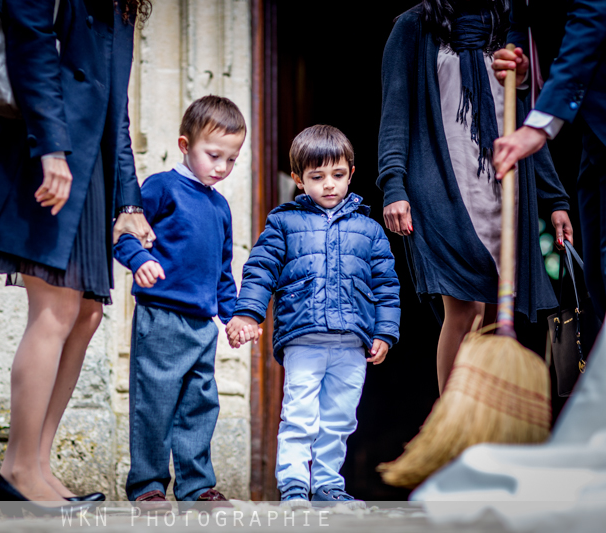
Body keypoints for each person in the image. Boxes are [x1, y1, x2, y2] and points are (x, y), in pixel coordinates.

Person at [0, 0, 153, 507]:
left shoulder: (124, 5)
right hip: (46, 147)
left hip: (90, 165)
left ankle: (35, 463)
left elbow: (116, 104)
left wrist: (129, 201)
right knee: (55, 309)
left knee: (87, 314)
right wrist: (50, 148)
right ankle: (17, 470)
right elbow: (29, 43)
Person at [378, 0, 573, 393]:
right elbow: (395, 112)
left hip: (502, 191)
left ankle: (479, 416)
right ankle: (453, 419)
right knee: (465, 310)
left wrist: (555, 200)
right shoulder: (414, 26)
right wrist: (393, 184)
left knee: (493, 318)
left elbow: (524, 119)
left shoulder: (509, 27)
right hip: (441, 186)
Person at [227, 125, 401, 506]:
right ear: (298, 179)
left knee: (340, 417)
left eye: (337, 175)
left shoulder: (369, 230)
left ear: (351, 173)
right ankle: (293, 484)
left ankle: (327, 485)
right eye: (317, 177)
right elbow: (261, 270)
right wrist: (248, 314)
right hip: (303, 338)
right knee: (300, 414)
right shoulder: (283, 223)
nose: (329, 185)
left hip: (352, 343)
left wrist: (385, 332)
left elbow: (387, 285)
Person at [113, 95, 246, 507]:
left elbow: (223, 270)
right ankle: (147, 486)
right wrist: (140, 260)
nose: (221, 167)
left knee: (200, 405)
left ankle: (196, 486)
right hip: (161, 318)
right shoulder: (161, 187)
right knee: (154, 404)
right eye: (213, 156)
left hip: (202, 327)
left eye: (231, 159)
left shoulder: (220, 206)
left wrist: (235, 316)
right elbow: (124, 233)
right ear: (185, 146)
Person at [492, 0, 606, 321]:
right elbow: (520, 22)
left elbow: (593, 16)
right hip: (593, 134)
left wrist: (540, 123)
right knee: (596, 276)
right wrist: (520, 64)